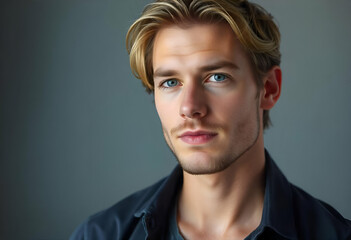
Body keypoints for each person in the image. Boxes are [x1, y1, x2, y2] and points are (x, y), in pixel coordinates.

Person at [70, 0, 351, 239]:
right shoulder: (100, 234)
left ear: (268, 89)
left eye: (217, 77)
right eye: (170, 82)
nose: (190, 107)